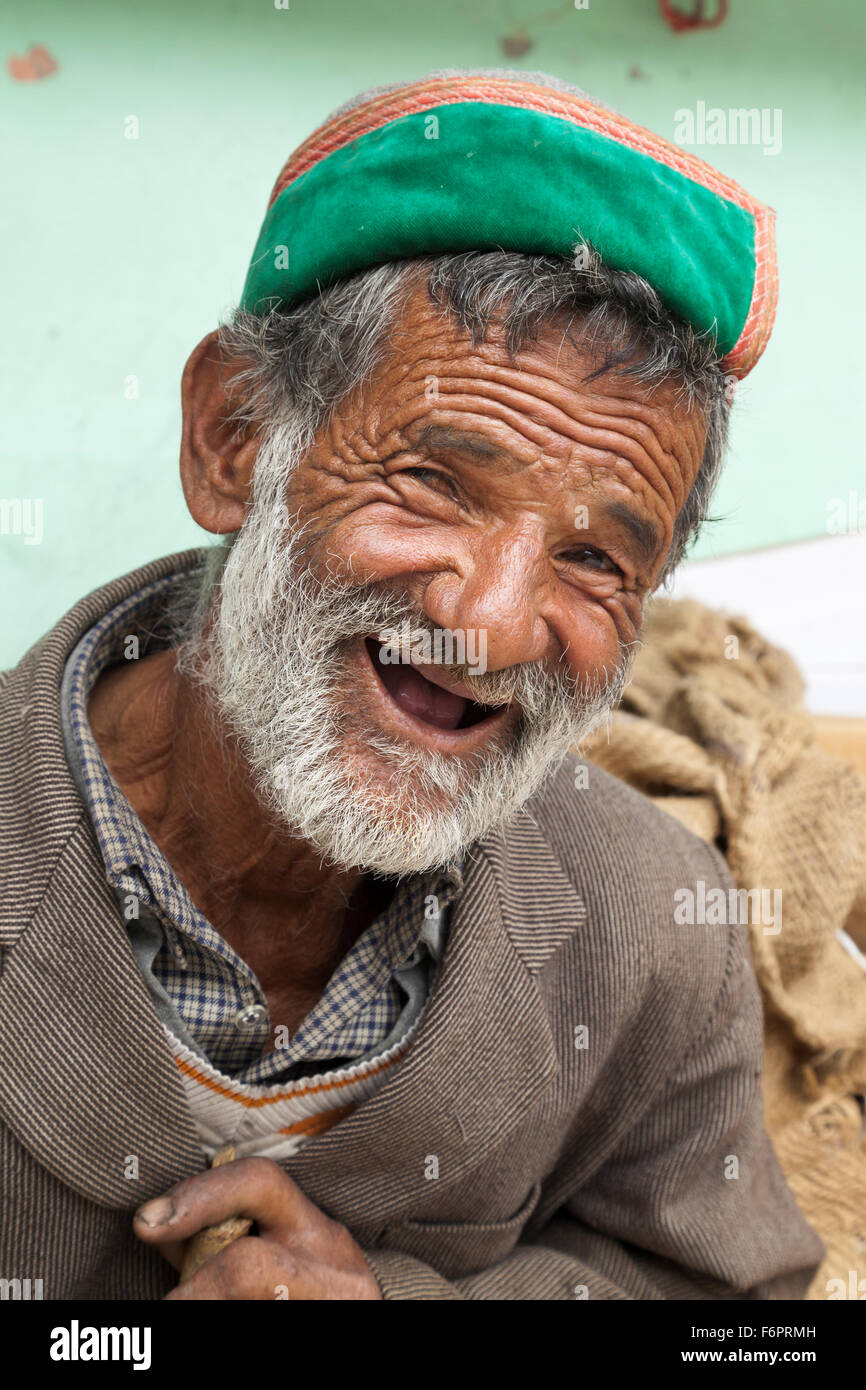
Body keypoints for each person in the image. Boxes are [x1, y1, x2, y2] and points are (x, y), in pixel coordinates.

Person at [0, 68, 824, 1300]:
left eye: (595, 558)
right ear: (234, 440)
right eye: (434, 480)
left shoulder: (651, 926)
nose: (490, 629)